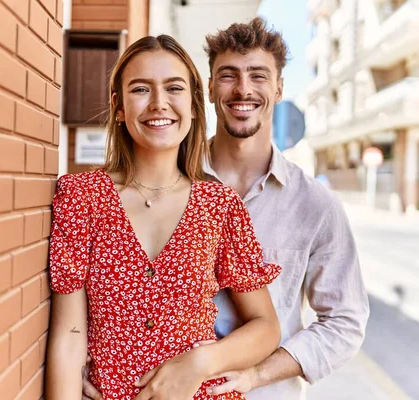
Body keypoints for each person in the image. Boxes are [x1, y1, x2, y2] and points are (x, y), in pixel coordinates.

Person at [82, 17, 370, 400]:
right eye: (229, 75)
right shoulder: (161, 176)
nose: (243, 89)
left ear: (280, 87)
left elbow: (344, 323)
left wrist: (254, 375)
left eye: (259, 76)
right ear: (211, 89)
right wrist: (91, 366)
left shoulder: (315, 205)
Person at [46, 34, 283, 400]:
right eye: (140, 89)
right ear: (119, 106)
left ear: (192, 105)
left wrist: (199, 364)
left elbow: (266, 327)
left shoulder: (219, 205)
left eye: (174, 88)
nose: (159, 104)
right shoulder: (82, 197)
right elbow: (69, 336)